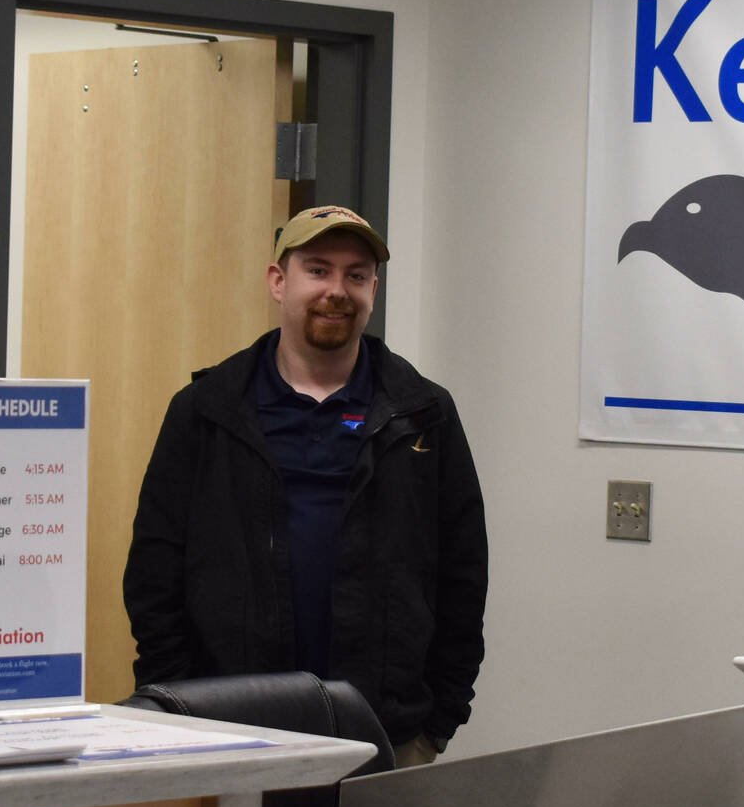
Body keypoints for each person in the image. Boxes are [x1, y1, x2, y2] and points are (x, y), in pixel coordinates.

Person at [123, 205, 486, 767]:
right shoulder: (207, 410)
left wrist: (438, 722)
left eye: (356, 275)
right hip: (228, 729)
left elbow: (463, 575)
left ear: (372, 290)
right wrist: (179, 702)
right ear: (278, 281)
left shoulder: (423, 414)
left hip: (385, 733)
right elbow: (155, 571)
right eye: (318, 270)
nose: (336, 290)